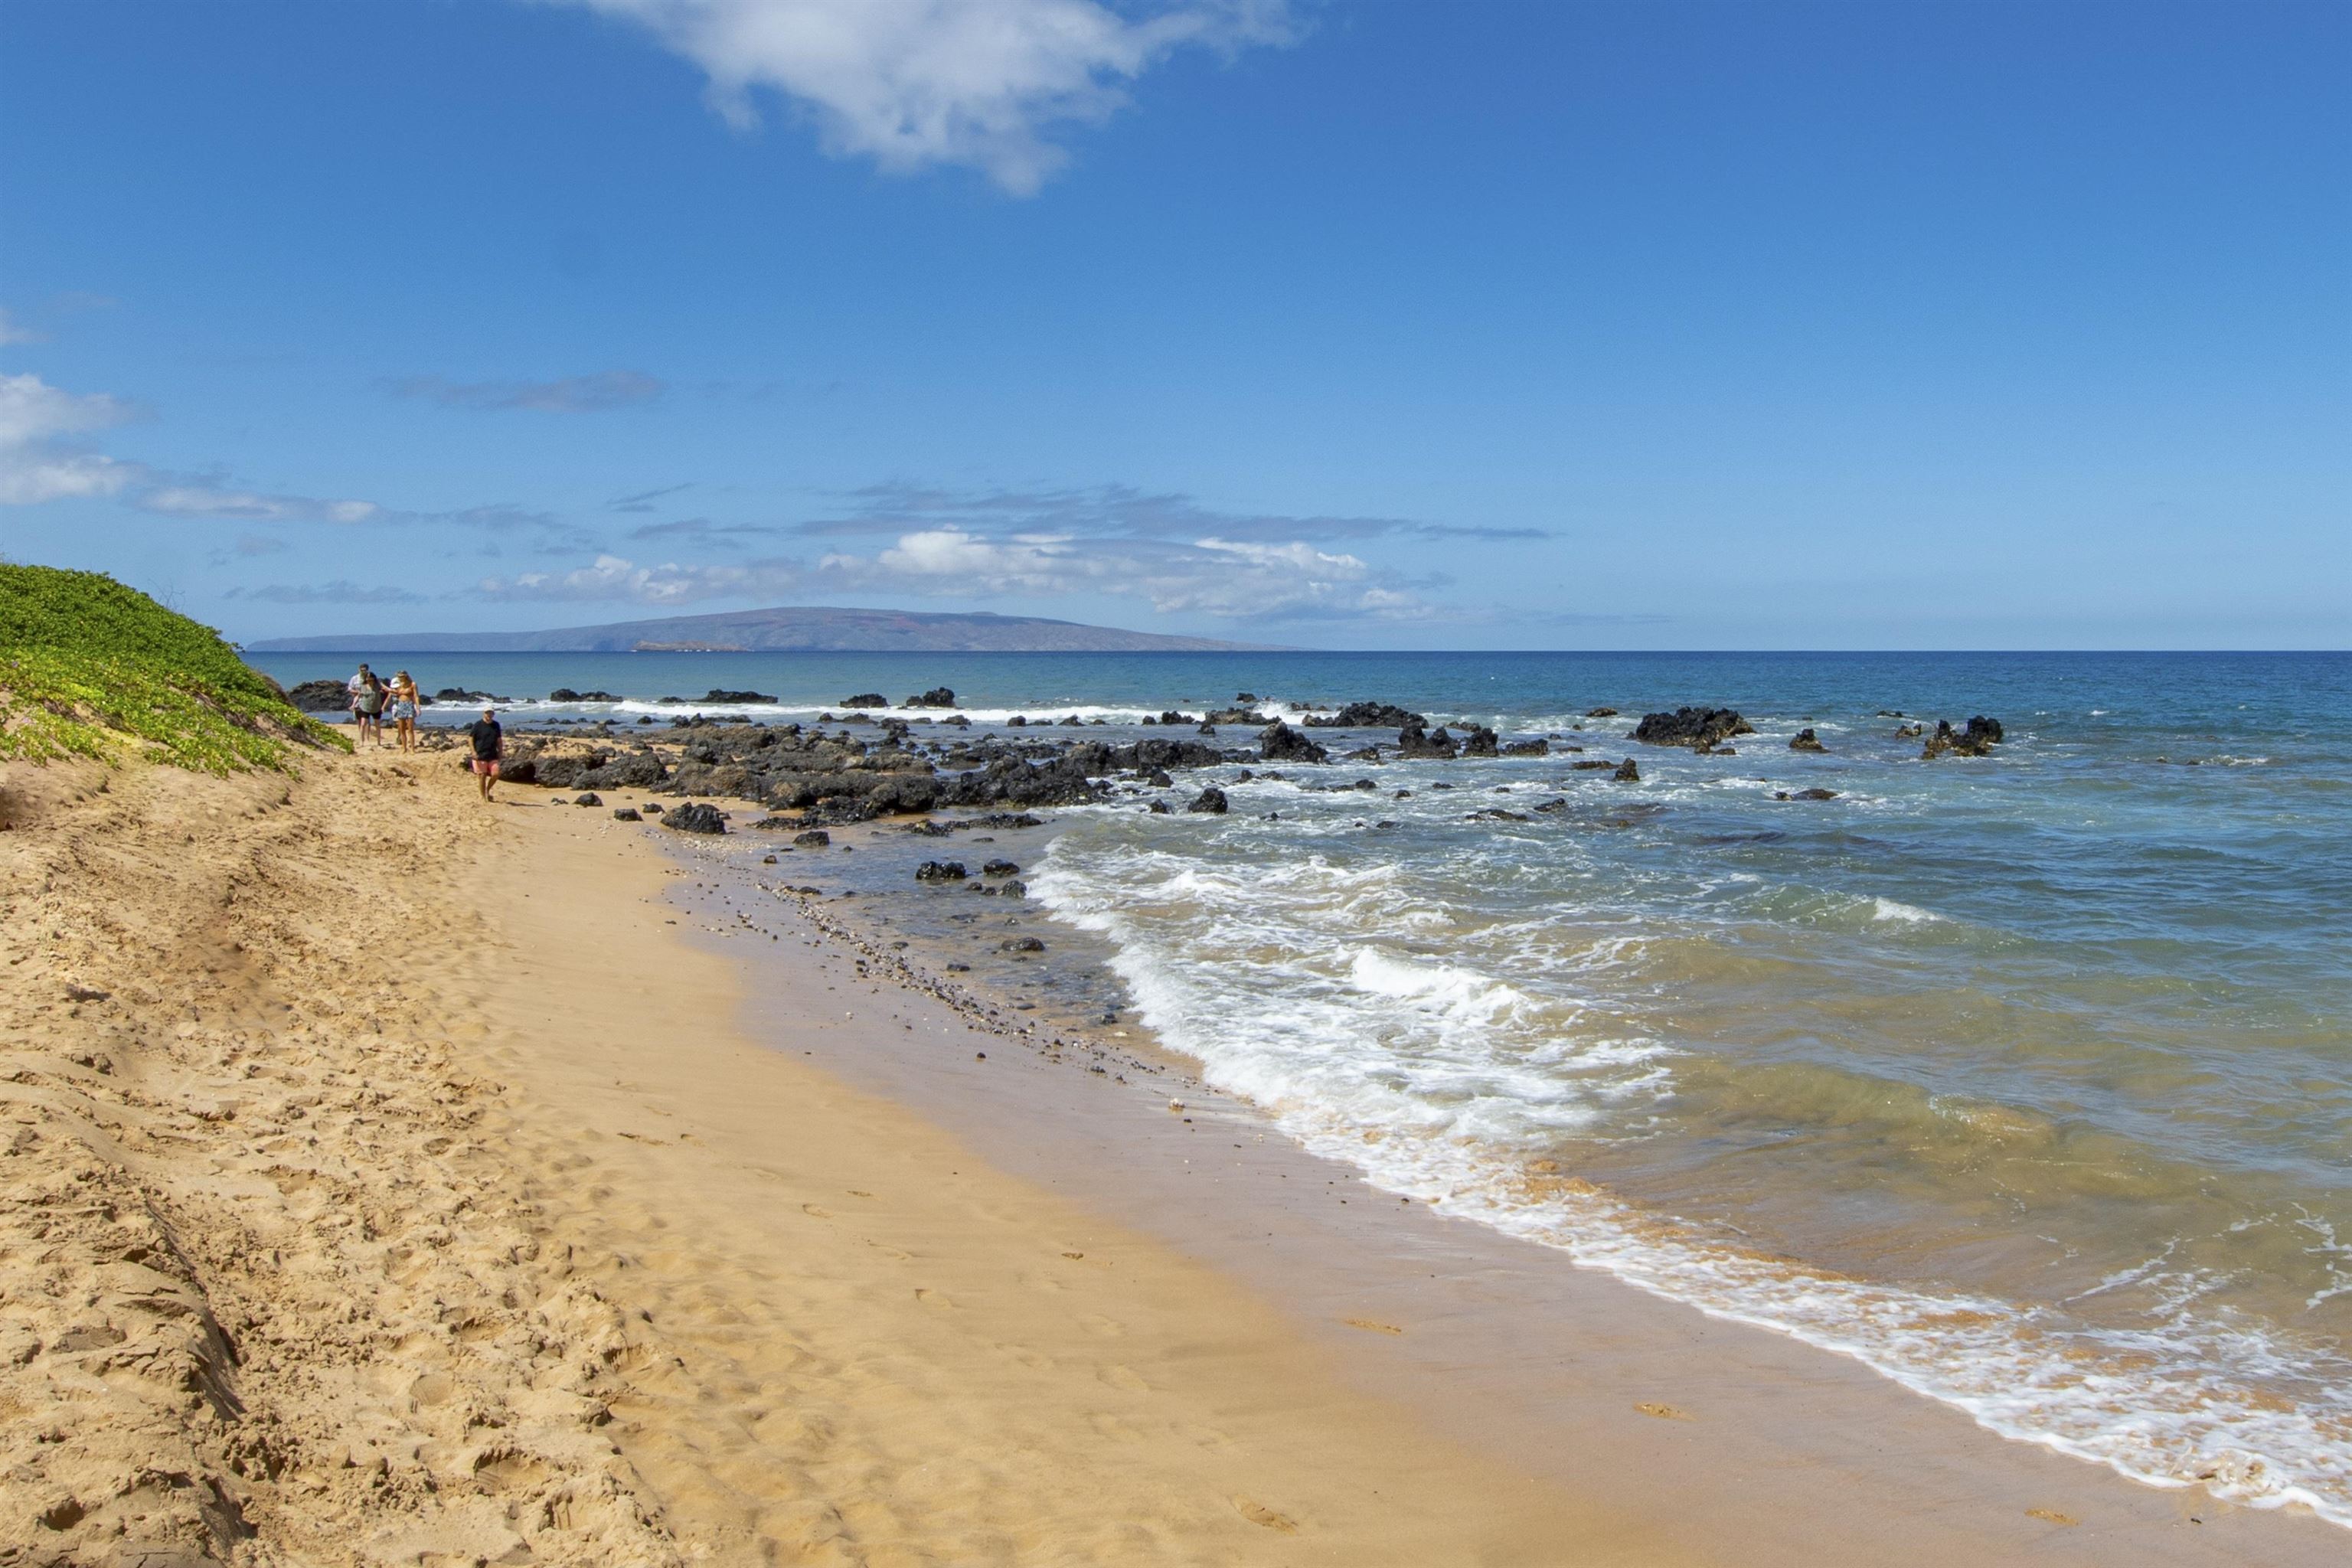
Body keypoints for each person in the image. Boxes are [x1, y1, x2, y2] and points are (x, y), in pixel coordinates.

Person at [466, 707, 503, 801]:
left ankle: (488, 790)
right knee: (482, 775)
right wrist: (473, 751)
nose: (489, 715)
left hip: (492, 754)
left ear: (493, 714)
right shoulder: (478, 725)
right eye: (487, 713)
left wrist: (500, 751)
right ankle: (483, 796)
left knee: (496, 774)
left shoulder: (496, 725)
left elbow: (499, 740)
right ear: (484, 713)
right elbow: (470, 738)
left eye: (491, 713)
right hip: (480, 754)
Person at [348, 663, 386, 748]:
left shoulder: (377, 685)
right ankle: (362, 741)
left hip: (376, 707)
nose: (369, 681)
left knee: (377, 724)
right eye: (368, 680)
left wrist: (392, 691)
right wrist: (353, 705)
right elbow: (359, 695)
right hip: (364, 706)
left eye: (371, 679)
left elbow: (385, 689)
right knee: (362, 723)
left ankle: (378, 742)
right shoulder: (362, 685)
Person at [386, 671, 421, 753]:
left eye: (401, 677)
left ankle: (412, 749)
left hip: (409, 705)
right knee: (401, 729)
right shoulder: (398, 685)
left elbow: (416, 696)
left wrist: (418, 708)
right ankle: (404, 748)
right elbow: (394, 693)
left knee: (410, 729)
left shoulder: (413, 684)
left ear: (405, 676)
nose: (400, 678)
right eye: (399, 677)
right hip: (400, 705)